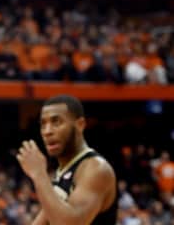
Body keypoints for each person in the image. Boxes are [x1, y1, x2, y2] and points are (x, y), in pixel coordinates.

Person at [16, 94, 117, 225]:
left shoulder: (96, 168)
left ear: (80, 125)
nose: (47, 131)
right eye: (43, 124)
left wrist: (39, 174)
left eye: (56, 122)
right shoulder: (63, 172)